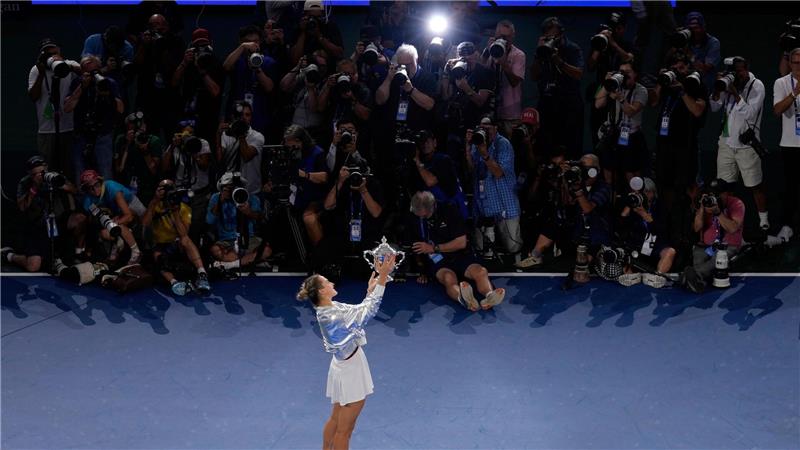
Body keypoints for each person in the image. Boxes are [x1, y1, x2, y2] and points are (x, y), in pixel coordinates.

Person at [296, 253, 396, 450]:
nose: (331, 281)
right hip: (350, 371)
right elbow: (367, 313)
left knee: (336, 418)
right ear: (322, 291)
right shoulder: (331, 316)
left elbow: (358, 311)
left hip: (345, 365)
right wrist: (383, 278)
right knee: (345, 430)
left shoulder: (328, 307)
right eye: (326, 281)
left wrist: (370, 292)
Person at [406, 191, 505, 311]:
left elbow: (461, 243)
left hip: (460, 255)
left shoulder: (449, 211)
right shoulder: (414, 218)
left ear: (428, 208)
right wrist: (422, 270)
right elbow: (415, 246)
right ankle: (464, 300)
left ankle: (489, 296)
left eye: (418, 209)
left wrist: (434, 248)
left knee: (480, 272)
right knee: (449, 278)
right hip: (440, 260)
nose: (414, 211)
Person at [516, 154, 612, 268]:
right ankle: (535, 255)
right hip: (577, 230)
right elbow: (568, 202)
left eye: (587, 168)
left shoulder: (603, 187)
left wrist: (578, 191)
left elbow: (588, 209)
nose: (584, 172)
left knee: (585, 264)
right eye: (582, 167)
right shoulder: (577, 181)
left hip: (595, 235)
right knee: (555, 223)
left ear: (596, 170)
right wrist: (565, 178)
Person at [709, 56, 769, 231]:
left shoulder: (756, 85)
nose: (738, 75)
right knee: (724, 186)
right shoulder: (727, 84)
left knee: (755, 186)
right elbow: (714, 107)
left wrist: (734, 92)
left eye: (740, 71)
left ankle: (763, 220)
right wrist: (718, 88)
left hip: (747, 146)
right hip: (726, 143)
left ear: (747, 68)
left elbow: (750, 113)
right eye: (734, 72)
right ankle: (726, 223)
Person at [2, 156, 79, 272]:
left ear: (46, 168)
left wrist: (59, 184)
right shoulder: (25, 182)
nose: (40, 175)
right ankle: (9, 255)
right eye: (35, 174)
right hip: (38, 226)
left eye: (42, 172)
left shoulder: (54, 176)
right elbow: (22, 207)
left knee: (80, 219)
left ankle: (80, 253)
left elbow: (75, 190)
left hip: (57, 221)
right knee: (33, 266)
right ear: (30, 174)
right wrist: (34, 188)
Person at [465, 116, 522, 258]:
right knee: (482, 249)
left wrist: (485, 154)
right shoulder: (476, 142)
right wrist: (467, 147)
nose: (484, 131)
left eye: (487, 128)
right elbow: (472, 170)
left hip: (504, 204)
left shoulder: (503, 144)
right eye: (481, 128)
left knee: (513, 246)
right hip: (484, 203)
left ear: (495, 128)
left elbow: (498, 173)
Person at [142, 179, 210, 295]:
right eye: (162, 188)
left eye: (168, 188)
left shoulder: (183, 208)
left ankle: (202, 274)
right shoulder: (154, 205)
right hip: (161, 245)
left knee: (186, 240)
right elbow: (145, 224)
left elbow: (184, 233)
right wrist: (154, 201)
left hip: (177, 243)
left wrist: (175, 213)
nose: (165, 192)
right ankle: (174, 283)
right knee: (157, 255)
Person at [63, 55, 124, 183]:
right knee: (80, 172)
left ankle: (106, 200)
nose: (90, 74)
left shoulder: (109, 83)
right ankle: (84, 202)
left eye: (93, 71)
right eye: (85, 70)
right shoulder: (77, 83)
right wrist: (81, 87)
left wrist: (108, 94)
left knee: (105, 172)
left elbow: (120, 109)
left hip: (103, 134)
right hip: (81, 134)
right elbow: (67, 108)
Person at [531, 17, 585, 159]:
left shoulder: (572, 48)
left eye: (554, 36)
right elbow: (534, 76)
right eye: (548, 36)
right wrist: (538, 54)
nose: (551, 39)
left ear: (561, 34)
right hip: (547, 104)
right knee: (545, 147)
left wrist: (558, 61)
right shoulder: (542, 50)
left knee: (570, 148)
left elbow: (579, 73)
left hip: (569, 105)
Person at [28, 38, 79, 181]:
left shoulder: (69, 64)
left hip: (67, 127)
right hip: (46, 129)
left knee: (68, 168)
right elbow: (33, 96)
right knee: (47, 170)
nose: (51, 55)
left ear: (59, 50)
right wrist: (42, 73)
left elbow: (84, 74)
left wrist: (63, 64)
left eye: (53, 51)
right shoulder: (36, 70)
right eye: (47, 52)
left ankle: (69, 200)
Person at [593, 60, 649, 186]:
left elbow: (631, 111)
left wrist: (620, 98)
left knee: (631, 174)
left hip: (631, 135)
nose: (623, 75)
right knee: (608, 171)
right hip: (612, 133)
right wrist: (606, 84)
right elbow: (598, 104)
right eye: (621, 72)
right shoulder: (613, 85)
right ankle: (611, 200)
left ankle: (636, 200)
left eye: (627, 72)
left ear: (635, 74)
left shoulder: (641, 90)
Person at [686, 179, 744, 291]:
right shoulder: (707, 202)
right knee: (699, 258)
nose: (715, 196)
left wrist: (718, 213)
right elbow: (697, 228)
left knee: (717, 259)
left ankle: (691, 277)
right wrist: (702, 209)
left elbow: (732, 228)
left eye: (718, 194)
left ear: (726, 193)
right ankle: (698, 282)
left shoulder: (736, 204)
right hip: (706, 245)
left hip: (728, 245)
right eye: (712, 193)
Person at [617, 177, 676, 287]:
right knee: (625, 258)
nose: (646, 194)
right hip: (637, 243)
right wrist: (630, 205)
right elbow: (621, 225)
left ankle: (657, 277)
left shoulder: (660, 206)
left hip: (656, 243)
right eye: (643, 192)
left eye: (649, 191)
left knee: (670, 252)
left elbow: (661, 230)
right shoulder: (632, 204)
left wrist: (644, 214)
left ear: (654, 193)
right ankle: (634, 276)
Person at [206, 172, 272, 271]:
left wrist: (248, 212)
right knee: (215, 250)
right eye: (229, 188)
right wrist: (221, 200)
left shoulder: (249, 197)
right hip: (226, 241)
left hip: (249, 239)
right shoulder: (216, 198)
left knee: (267, 250)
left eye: (234, 187)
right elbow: (209, 221)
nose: (232, 190)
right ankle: (250, 262)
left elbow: (261, 218)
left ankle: (231, 265)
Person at [77, 169, 145, 265]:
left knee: (143, 231)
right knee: (104, 232)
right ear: (86, 189)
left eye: (96, 185)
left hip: (131, 206)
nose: (94, 189)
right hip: (116, 211)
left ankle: (136, 252)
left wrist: (113, 223)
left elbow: (128, 216)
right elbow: (90, 223)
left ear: (100, 182)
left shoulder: (111, 187)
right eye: (90, 187)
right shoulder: (88, 200)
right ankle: (119, 240)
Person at [222, 25, 279, 137]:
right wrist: (242, 47)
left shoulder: (268, 62)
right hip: (236, 114)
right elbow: (226, 67)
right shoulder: (238, 61)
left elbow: (269, 87)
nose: (252, 45)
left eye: (255, 41)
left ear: (261, 41)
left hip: (259, 115)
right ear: (241, 41)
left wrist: (257, 68)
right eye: (248, 41)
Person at [172, 28, 224, 144]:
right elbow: (174, 83)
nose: (201, 49)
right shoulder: (187, 62)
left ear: (211, 44)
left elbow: (215, 92)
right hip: (187, 116)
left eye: (204, 45)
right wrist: (184, 63)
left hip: (209, 116)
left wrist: (201, 70)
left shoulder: (216, 63)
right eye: (198, 46)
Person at [771, 47, 800, 239]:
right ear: (789, 63)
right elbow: (777, 110)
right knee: (791, 188)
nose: (799, 66)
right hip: (790, 144)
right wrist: (794, 93)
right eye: (796, 62)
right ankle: (787, 226)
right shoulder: (781, 83)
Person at [480, 20, 526, 138]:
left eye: (506, 37)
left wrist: (503, 61)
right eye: (500, 37)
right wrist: (486, 52)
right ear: (495, 36)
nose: (503, 40)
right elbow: (480, 74)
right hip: (491, 111)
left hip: (510, 114)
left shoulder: (518, 55)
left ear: (513, 36)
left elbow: (515, 82)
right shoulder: (491, 51)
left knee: (509, 146)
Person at [217, 101, 265, 195]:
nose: (243, 118)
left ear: (251, 117)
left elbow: (246, 156)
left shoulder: (257, 136)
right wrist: (218, 135)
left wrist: (240, 134)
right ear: (233, 117)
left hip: (251, 191)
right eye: (240, 115)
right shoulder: (226, 135)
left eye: (247, 115)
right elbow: (219, 160)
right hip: (229, 191)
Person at [114, 111, 162, 204]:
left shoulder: (153, 141)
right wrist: (128, 144)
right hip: (127, 185)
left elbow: (154, 170)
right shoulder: (121, 140)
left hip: (148, 186)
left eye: (141, 124)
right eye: (134, 127)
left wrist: (145, 151)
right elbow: (119, 169)